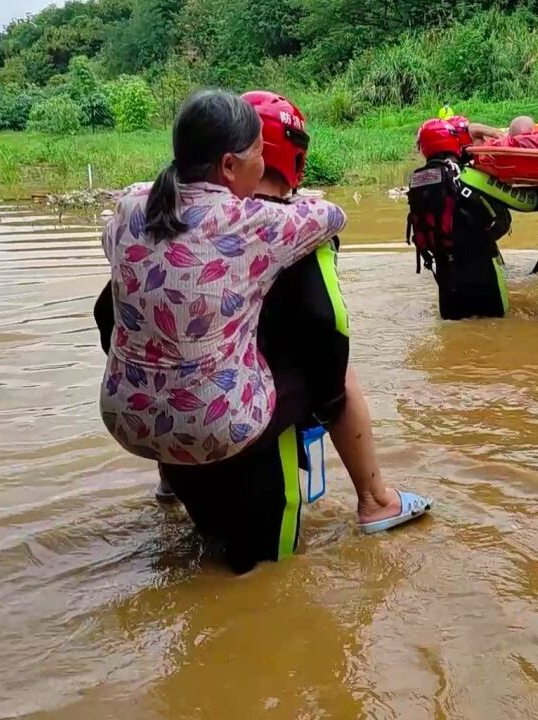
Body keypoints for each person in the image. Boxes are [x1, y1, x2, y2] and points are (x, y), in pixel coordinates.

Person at [97, 89, 431, 573]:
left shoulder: (131, 208)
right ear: (230, 166)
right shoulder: (252, 221)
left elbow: (113, 267)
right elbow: (333, 226)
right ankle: (376, 499)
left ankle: (169, 483)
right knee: (337, 371)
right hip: (215, 427)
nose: (261, 162)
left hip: (128, 420)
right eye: (256, 153)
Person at [406, 118, 538, 320]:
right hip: (482, 275)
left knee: (452, 342)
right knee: (496, 336)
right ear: (454, 143)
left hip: (446, 280)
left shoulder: (418, 181)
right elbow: (527, 203)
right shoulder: (468, 176)